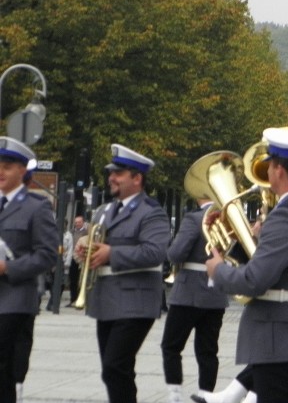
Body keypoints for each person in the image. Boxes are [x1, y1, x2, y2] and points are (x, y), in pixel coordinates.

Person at [205, 127, 288, 403]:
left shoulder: (287, 216)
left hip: (279, 337)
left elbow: (255, 280)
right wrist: (242, 239)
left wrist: (218, 270)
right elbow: (279, 268)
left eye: (269, 164)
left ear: (279, 170)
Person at [79, 143, 170, 403]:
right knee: (114, 371)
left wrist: (111, 253)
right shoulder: (105, 210)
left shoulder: (151, 212)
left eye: (118, 173)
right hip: (106, 299)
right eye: (111, 173)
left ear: (137, 178)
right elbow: (96, 246)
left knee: (115, 366)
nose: (111, 178)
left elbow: (155, 253)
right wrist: (85, 250)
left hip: (136, 301)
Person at [0, 137, 59, 403]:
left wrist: (7, 267)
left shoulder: (37, 207)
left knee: (3, 369)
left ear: (23, 171)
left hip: (14, 300)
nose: (1, 171)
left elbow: (46, 255)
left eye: (8, 166)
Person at [160, 198, 229, 403]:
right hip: (216, 291)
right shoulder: (228, 220)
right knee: (208, 350)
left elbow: (176, 253)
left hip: (188, 293)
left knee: (171, 346)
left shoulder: (194, 218)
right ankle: (206, 395)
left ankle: (175, 395)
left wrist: (170, 249)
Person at [67, 215, 88, 306]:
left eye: (79, 222)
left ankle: (80, 300)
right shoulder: (71, 232)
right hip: (73, 258)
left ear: (83, 222)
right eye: (76, 222)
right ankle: (73, 299)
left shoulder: (86, 232)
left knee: (81, 280)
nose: (77, 224)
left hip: (82, 259)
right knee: (73, 280)